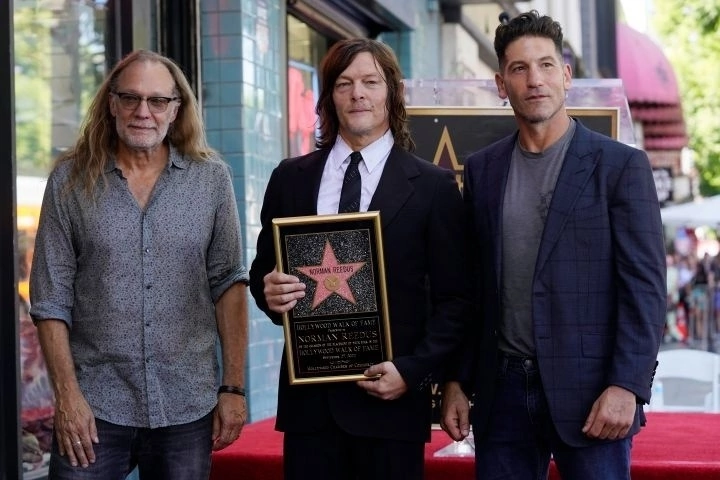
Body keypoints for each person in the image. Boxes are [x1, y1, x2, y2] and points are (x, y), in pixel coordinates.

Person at [440, 11, 666, 480]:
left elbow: (644, 288)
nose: (534, 80)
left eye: (545, 65)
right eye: (519, 69)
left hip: (593, 396)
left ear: (566, 76)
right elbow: (473, 286)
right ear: (502, 85)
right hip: (501, 395)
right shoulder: (483, 169)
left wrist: (627, 384)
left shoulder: (619, 166)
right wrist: (456, 379)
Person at [249, 38, 471, 480]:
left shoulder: (433, 188)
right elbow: (262, 273)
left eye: (370, 82)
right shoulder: (290, 178)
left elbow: (457, 299)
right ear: (329, 95)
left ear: (391, 92)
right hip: (310, 411)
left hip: (391, 407)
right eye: (344, 83)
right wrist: (269, 291)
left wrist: (413, 372)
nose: (358, 94)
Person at [29, 50, 249, 480]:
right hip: (94, 404)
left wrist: (234, 387)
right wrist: (67, 396)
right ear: (111, 104)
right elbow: (50, 299)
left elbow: (230, 284)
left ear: (176, 108)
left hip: (187, 402)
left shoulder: (211, 180)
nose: (142, 111)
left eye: (157, 101)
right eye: (130, 98)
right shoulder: (70, 181)